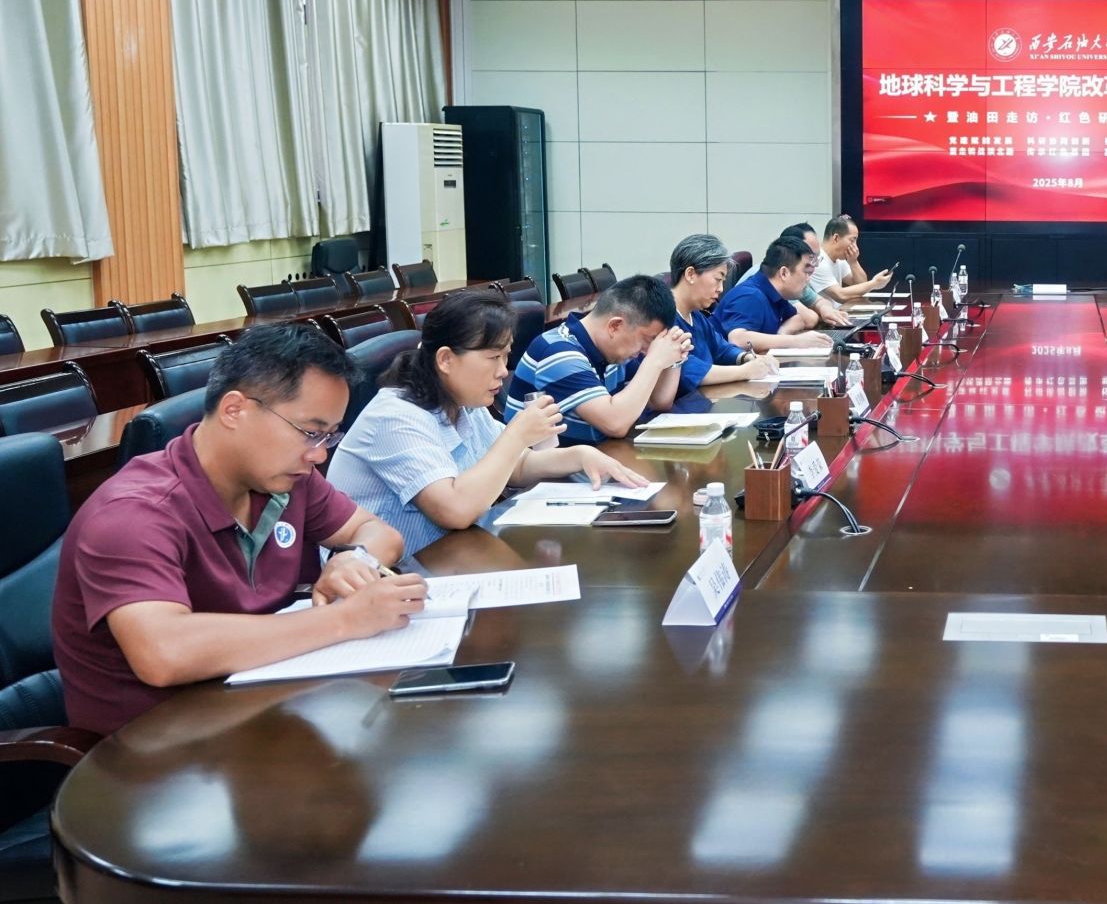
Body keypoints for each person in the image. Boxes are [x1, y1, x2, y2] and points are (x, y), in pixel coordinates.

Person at [51, 324, 426, 735]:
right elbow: (164, 652)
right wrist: (346, 619)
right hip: (156, 747)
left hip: (259, 707)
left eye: (328, 436)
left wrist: (354, 558)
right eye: (310, 432)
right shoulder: (133, 514)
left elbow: (378, 532)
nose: (319, 455)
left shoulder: (286, 478)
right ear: (234, 410)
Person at [327, 290, 650, 555]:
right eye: (493, 357)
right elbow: (454, 510)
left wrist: (579, 456)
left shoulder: (463, 401)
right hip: (388, 576)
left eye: (505, 357)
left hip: (449, 559)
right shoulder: (395, 417)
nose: (503, 371)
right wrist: (517, 435)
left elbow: (515, 466)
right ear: (445, 359)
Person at [502, 274, 689, 443]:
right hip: (541, 468)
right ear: (615, 326)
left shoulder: (612, 350)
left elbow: (660, 401)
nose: (646, 351)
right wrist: (655, 361)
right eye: (647, 340)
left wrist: (675, 356)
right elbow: (615, 423)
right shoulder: (558, 352)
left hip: (594, 458)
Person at [668, 233, 780, 392]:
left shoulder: (696, 315)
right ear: (690, 274)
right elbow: (685, 369)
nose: (720, 289)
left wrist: (747, 357)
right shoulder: (664, 317)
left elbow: (721, 348)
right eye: (717, 279)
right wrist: (744, 371)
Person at [714, 235, 834, 351]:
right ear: (784, 273)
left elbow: (797, 318)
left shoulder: (774, 292)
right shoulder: (750, 296)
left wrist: (782, 333)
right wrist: (795, 341)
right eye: (806, 272)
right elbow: (738, 339)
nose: (808, 280)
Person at [809, 214, 892, 304]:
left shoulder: (839, 259)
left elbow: (861, 285)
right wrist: (874, 283)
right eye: (852, 240)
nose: (855, 246)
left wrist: (853, 262)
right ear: (836, 238)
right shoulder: (818, 262)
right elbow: (840, 295)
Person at [779, 222, 848, 328]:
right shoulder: (777, 277)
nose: (815, 265)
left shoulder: (797, 278)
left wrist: (827, 310)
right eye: (811, 258)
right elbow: (809, 319)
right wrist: (821, 315)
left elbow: (820, 301)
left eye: (817, 257)